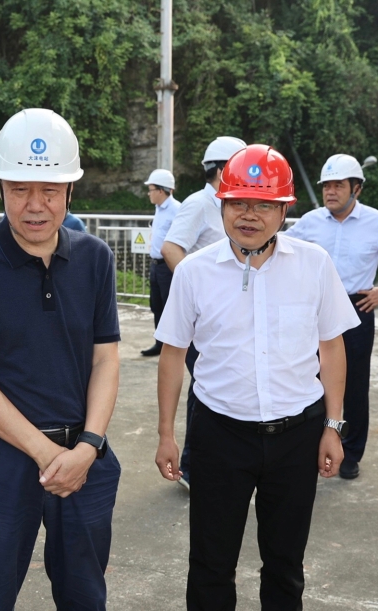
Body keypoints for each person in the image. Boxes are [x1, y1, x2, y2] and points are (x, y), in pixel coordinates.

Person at [154, 144, 357, 610]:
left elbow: (331, 346)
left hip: (297, 435)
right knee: (210, 562)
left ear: (283, 210)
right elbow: (172, 354)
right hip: (219, 434)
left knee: (286, 564)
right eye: (238, 202)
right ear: (221, 205)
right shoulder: (194, 272)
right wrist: (167, 434)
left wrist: (333, 425)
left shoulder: (313, 264)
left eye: (263, 204)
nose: (249, 215)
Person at [0, 108, 122, 611]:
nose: (34, 205)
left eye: (49, 191)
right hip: (1, 459)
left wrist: (89, 446)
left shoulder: (95, 259)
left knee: (86, 596)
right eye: (20, 189)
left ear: (69, 192)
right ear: (0, 188)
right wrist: (46, 455)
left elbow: (106, 359)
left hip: (84, 455)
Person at [160, 135, 247, 489]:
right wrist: (201, 296)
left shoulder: (235, 204)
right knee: (204, 386)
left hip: (234, 315)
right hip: (208, 317)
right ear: (225, 169)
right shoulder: (200, 203)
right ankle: (192, 466)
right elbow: (170, 247)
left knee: (224, 382)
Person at [285, 154, 377, 480]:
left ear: (357, 189)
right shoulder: (309, 222)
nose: (331, 192)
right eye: (327, 186)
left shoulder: (374, 221)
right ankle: (317, 444)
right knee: (312, 381)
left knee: (354, 385)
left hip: (357, 309)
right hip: (315, 312)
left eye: (339, 185)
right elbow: (282, 255)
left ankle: (351, 452)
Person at [140, 169, 180, 357]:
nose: (149, 193)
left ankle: (171, 346)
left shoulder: (177, 210)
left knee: (169, 306)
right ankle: (159, 343)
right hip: (155, 265)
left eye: (151, 189)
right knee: (156, 305)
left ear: (162, 191)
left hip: (168, 266)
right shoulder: (158, 209)